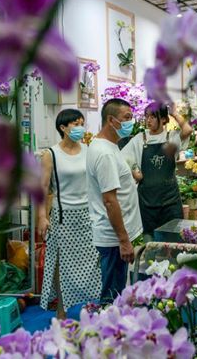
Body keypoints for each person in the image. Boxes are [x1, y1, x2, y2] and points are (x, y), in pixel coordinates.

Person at [38, 109, 101, 319]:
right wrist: (42, 216)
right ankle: (61, 309)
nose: (80, 127)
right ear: (63, 128)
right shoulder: (51, 154)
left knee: (93, 263)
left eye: (82, 123)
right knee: (62, 263)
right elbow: (43, 187)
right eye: (75, 123)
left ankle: (93, 306)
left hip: (88, 215)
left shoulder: (89, 150)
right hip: (63, 217)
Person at [86, 98, 143, 303]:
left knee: (118, 291)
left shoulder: (110, 146)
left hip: (116, 236)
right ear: (111, 120)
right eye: (126, 118)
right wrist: (124, 240)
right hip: (113, 239)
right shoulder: (105, 154)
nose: (131, 122)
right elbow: (109, 200)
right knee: (112, 298)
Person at [121, 102, 192, 240]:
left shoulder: (171, 138)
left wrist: (174, 113)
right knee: (150, 244)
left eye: (153, 117)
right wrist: (134, 170)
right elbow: (123, 158)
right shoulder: (140, 139)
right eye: (146, 116)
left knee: (173, 242)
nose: (148, 120)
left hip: (170, 202)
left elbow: (188, 130)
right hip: (147, 202)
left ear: (164, 119)